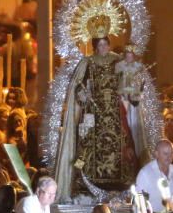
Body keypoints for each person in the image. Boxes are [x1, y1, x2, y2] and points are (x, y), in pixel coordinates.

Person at [55, 33, 138, 200]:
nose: (103, 48)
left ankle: (122, 182)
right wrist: (83, 95)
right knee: (86, 145)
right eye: (99, 45)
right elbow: (79, 86)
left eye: (105, 44)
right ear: (95, 47)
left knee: (122, 140)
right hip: (95, 111)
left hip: (116, 111)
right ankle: (84, 178)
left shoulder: (117, 61)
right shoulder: (88, 62)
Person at [134, 139, 173, 213]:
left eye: (171, 153)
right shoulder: (145, 173)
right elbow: (139, 203)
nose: (169, 157)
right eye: (165, 154)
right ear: (156, 154)